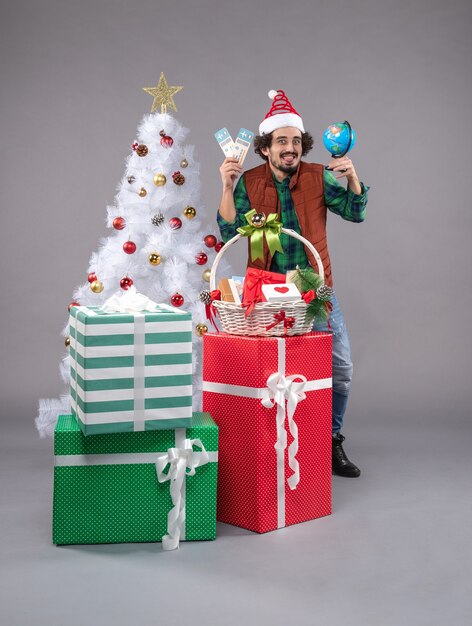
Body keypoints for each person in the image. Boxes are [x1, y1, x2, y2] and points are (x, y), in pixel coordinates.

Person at [217, 90, 369, 478]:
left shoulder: (320, 176)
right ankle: (268, 449)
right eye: (281, 141)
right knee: (270, 379)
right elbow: (229, 231)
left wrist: (352, 179)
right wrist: (226, 186)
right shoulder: (248, 181)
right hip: (265, 297)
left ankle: (330, 442)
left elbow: (355, 213)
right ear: (265, 147)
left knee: (340, 369)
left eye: (296, 141)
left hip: (315, 292)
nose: (290, 149)